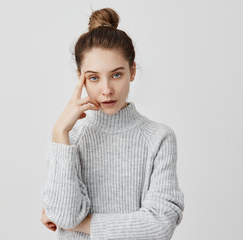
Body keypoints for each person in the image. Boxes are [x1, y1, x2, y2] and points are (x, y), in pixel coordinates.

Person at [40, 7, 185, 240]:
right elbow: (65, 216)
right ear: (81, 78)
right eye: (94, 77)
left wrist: (83, 222)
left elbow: (159, 226)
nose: (106, 90)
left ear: (132, 71)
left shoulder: (158, 138)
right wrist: (59, 130)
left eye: (116, 74)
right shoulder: (68, 138)